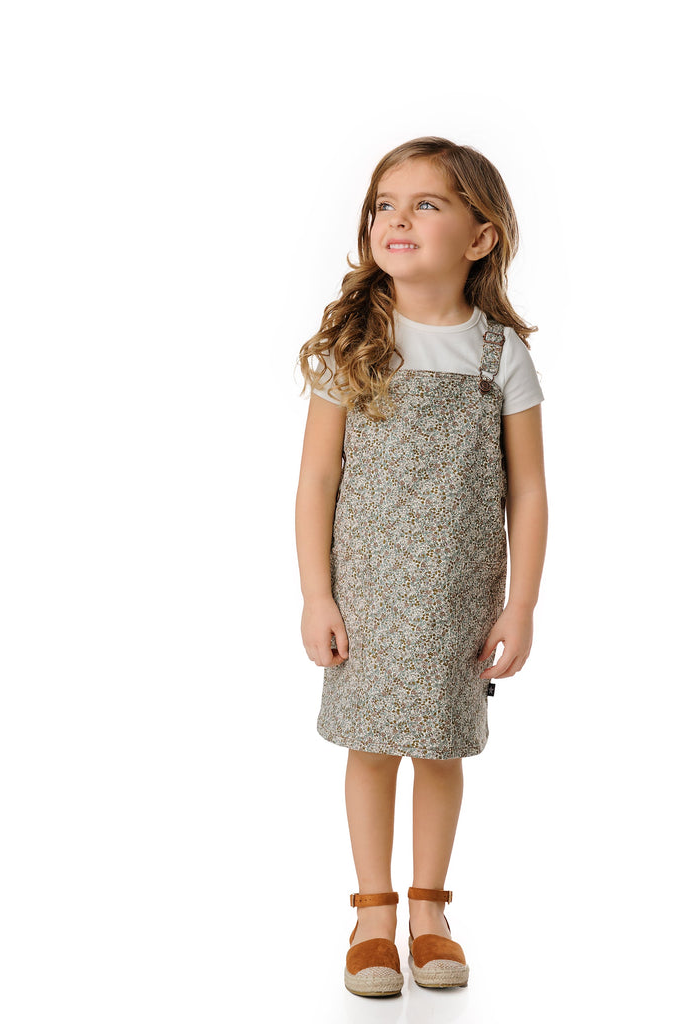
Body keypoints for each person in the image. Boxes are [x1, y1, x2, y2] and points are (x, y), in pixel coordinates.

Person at [295, 136, 548, 997]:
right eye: (384, 205)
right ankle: (371, 915)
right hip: (366, 593)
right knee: (371, 746)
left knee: (440, 749)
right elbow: (317, 479)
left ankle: (429, 912)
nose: (396, 219)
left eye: (424, 204)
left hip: (455, 596)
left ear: (479, 236)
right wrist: (316, 595)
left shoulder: (498, 354)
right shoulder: (354, 345)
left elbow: (529, 490)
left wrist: (520, 605)